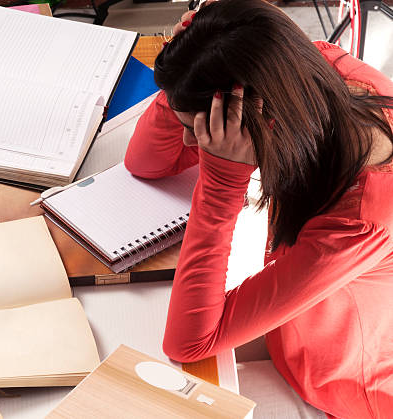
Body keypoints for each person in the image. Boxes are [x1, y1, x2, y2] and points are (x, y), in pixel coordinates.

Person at [124, 0, 393, 417]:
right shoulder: (310, 74)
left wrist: (221, 181)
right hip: (299, 323)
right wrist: (189, 68)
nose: (192, 145)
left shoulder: (363, 219)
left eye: (199, 130)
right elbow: (144, 162)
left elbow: (189, 342)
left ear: (254, 119)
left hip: (340, 380)